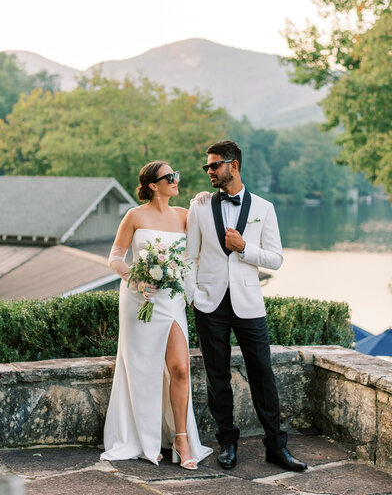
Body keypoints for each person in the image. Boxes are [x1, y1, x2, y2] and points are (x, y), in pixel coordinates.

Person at [185, 140, 307, 472]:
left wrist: (244, 247)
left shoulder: (264, 208)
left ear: (233, 166)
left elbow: (276, 259)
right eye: (207, 167)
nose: (209, 171)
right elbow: (188, 257)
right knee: (217, 377)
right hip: (209, 305)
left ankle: (276, 447)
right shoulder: (198, 206)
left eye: (214, 165)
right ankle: (227, 442)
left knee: (263, 375)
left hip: (249, 305)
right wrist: (192, 295)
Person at [101, 161, 212, 469]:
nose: (176, 180)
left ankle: (181, 438)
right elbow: (114, 256)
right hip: (139, 300)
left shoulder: (185, 216)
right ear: (153, 185)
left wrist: (204, 201)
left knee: (179, 367)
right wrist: (135, 278)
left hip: (172, 299)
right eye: (169, 177)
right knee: (143, 370)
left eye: (176, 175)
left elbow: (201, 250)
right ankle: (144, 438)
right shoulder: (134, 216)